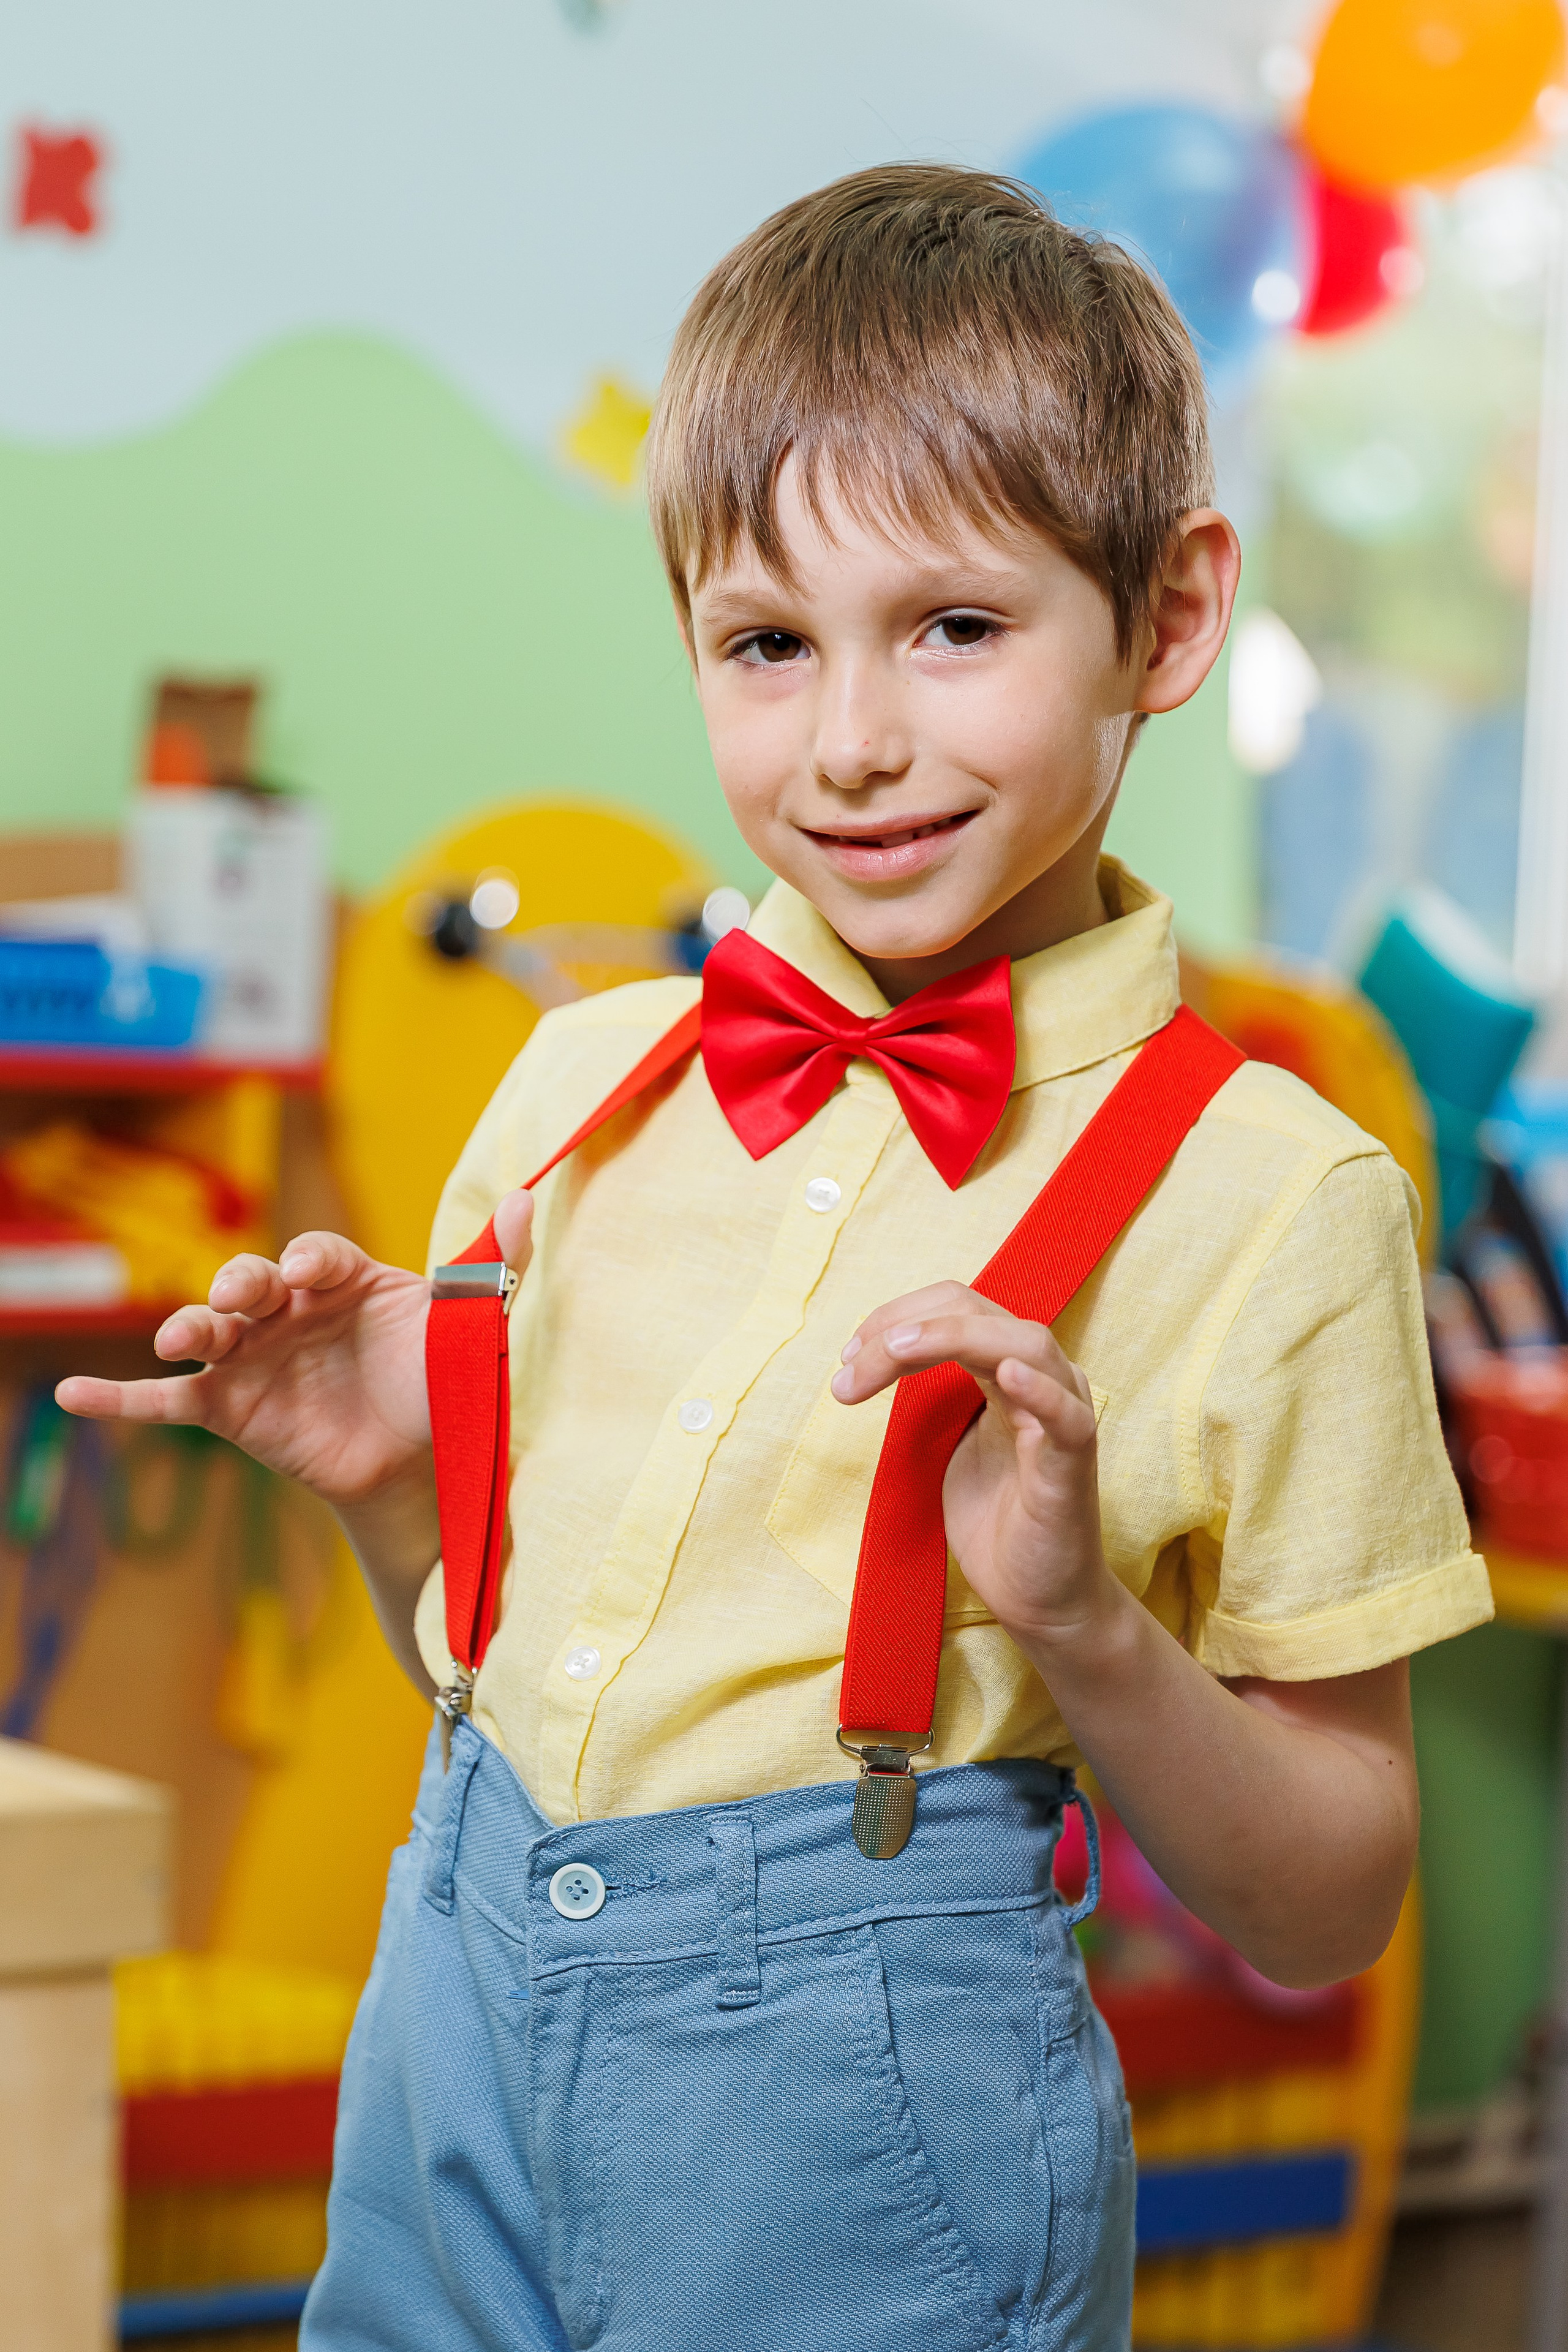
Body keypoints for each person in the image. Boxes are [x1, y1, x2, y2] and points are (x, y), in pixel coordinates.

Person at [59, 165, 1491, 2351]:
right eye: (766, 643)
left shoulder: (1280, 1203)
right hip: (451, 2026)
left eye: (956, 627)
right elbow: (520, 1699)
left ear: (1172, 619)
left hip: (858, 2140)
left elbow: (1336, 1896)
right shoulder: (581, 1089)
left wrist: (1089, 1629)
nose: (850, 743)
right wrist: (384, 1486)